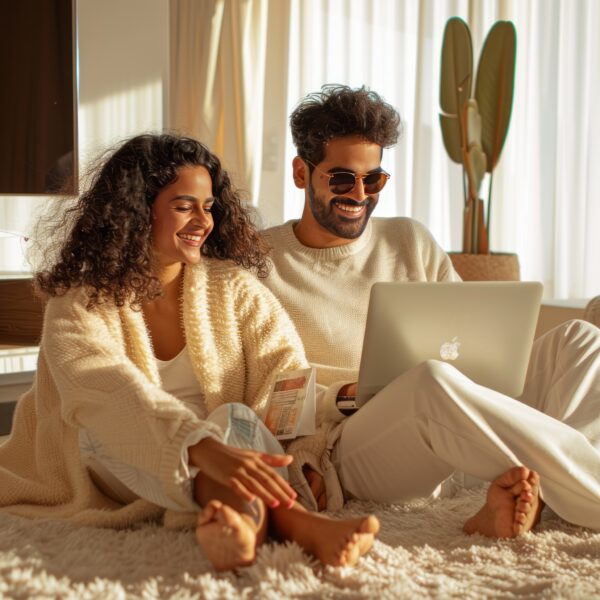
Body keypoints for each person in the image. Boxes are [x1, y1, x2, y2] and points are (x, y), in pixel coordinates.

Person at [0, 133, 380, 572]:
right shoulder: (80, 300)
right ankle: (297, 524)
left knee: (232, 418)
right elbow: (102, 388)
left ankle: (236, 524)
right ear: (136, 210)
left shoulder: (233, 288)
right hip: (108, 455)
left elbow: (286, 376)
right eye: (184, 206)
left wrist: (308, 449)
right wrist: (195, 444)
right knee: (113, 434)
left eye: (209, 206)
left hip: (220, 446)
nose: (204, 220)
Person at [262, 84, 600, 538]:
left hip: (457, 434)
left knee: (580, 339)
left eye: (374, 179)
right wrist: (346, 394)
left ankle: (533, 491)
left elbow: (466, 333)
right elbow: (260, 392)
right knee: (430, 380)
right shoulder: (260, 263)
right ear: (301, 173)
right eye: (342, 178)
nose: (359, 193)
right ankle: (581, 493)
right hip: (351, 445)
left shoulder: (408, 239)